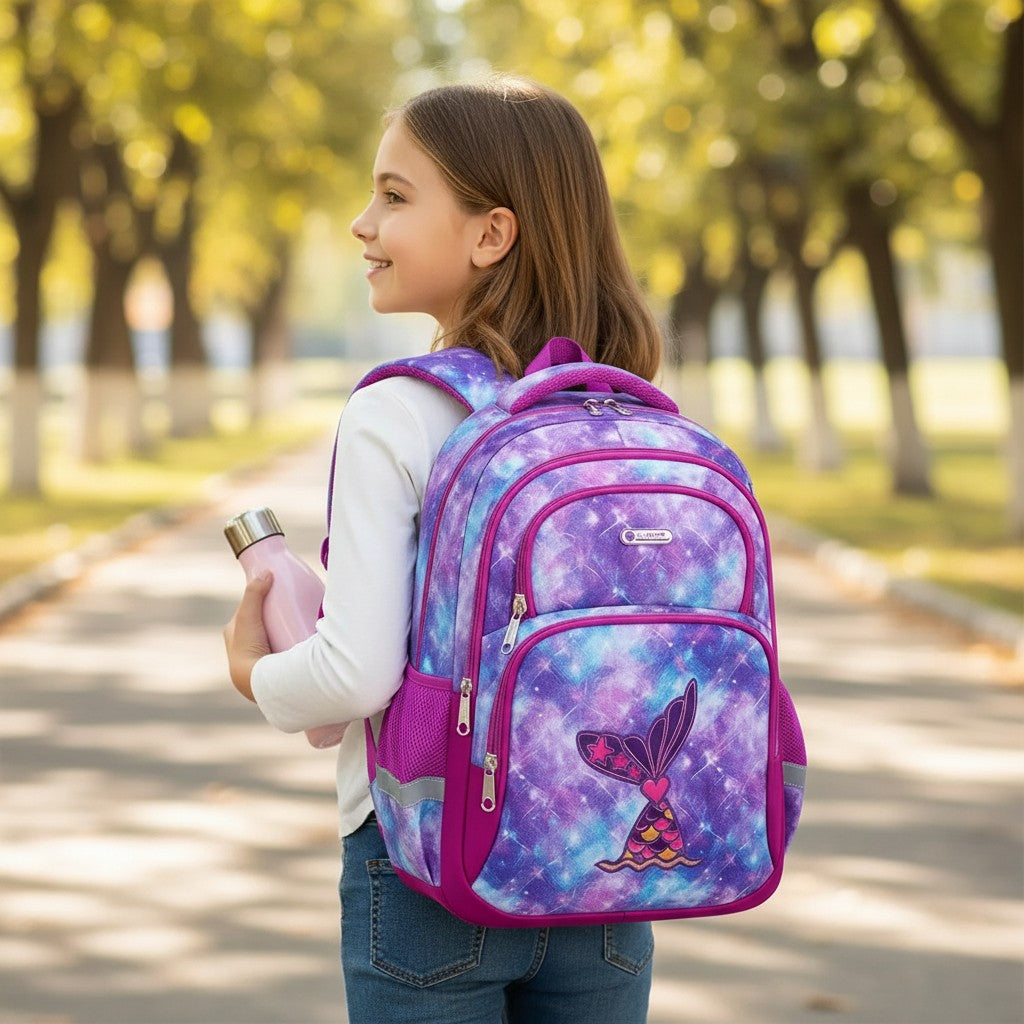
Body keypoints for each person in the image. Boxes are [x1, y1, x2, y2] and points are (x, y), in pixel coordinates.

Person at [224, 75, 664, 1024]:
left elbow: (354, 675)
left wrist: (257, 674)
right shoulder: (622, 410)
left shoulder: (398, 412)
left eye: (393, 195)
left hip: (430, 863)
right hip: (608, 858)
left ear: (489, 234)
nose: (360, 224)